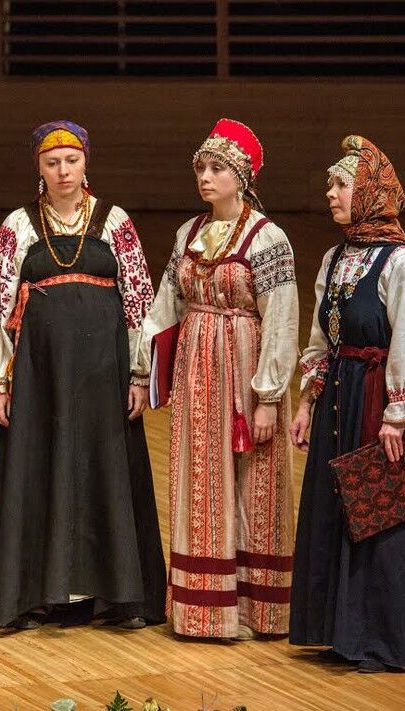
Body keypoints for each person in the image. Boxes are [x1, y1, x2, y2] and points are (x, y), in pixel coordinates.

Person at [0, 120, 166, 630]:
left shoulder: (115, 221)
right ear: (39, 168)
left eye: (71, 160)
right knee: (40, 469)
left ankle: (116, 595)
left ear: (86, 162)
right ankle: (37, 595)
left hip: (104, 375)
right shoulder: (17, 225)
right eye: (52, 163)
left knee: (105, 471)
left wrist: (139, 374)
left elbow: (141, 301)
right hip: (41, 380)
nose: (63, 171)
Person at [288, 135, 405, 672]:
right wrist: (307, 401)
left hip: (376, 397)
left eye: (340, 185)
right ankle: (339, 630)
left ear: (367, 193)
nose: (330, 194)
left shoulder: (400, 262)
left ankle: (383, 638)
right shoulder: (335, 257)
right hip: (339, 392)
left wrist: (398, 415)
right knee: (338, 505)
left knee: (379, 509)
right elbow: (322, 337)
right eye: (331, 185)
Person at [143, 118, 298, 640]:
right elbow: (166, 305)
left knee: (257, 483)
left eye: (217, 169)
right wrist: (143, 370)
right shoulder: (188, 234)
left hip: (246, 366)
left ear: (242, 176)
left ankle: (260, 609)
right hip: (197, 372)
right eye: (201, 169)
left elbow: (282, 318)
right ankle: (205, 610)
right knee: (201, 476)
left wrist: (268, 396)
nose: (205, 178)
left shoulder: (268, 238)